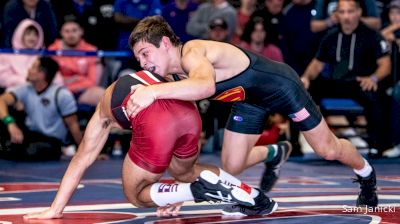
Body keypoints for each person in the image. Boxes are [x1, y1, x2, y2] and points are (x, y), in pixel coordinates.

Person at [124, 15, 379, 212]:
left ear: (165, 43)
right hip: (249, 101)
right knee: (232, 165)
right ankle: (274, 152)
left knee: (328, 150)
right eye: (138, 59)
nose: (143, 64)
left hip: (282, 87)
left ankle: (366, 174)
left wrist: (154, 92)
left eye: (145, 54)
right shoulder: (173, 77)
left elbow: (205, 86)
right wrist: (180, 194)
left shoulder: (193, 52)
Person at [23, 70, 278, 220]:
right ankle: (256, 198)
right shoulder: (155, 75)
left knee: (136, 194)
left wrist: (55, 209)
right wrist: (175, 189)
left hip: (158, 120)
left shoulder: (103, 111)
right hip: (188, 112)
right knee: (187, 171)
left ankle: (196, 191)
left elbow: (81, 159)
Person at [302, 0, 392, 158]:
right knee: (301, 91)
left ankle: (377, 146)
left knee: (378, 98)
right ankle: (303, 141)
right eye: (342, 12)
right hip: (336, 83)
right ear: (336, 15)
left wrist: (373, 78)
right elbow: (317, 65)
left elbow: (385, 65)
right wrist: (306, 78)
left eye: (350, 12)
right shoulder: (330, 36)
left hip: (360, 82)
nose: (346, 17)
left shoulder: (372, 35)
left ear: (358, 13)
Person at [0, 57, 82, 161]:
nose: (29, 70)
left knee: (31, 152)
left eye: (33, 67)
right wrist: (10, 123)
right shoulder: (26, 89)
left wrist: (85, 152)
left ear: (42, 74)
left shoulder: (62, 94)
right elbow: (1, 101)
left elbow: (73, 125)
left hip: (52, 141)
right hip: (30, 135)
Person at [48, 17, 105, 107]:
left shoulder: (91, 50)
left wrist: (69, 82)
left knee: (104, 96)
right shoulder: (52, 50)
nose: (71, 35)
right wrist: (79, 78)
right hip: (58, 91)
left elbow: (92, 81)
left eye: (74, 30)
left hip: (82, 91)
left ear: (81, 32)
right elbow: (50, 80)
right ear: (61, 33)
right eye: (67, 31)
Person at [0, 19, 44, 91]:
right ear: (20, 34)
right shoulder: (7, 55)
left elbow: (54, 77)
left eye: (35, 34)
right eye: (28, 34)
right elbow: (2, 78)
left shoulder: (43, 56)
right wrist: (23, 81)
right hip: (17, 92)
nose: (32, 37)